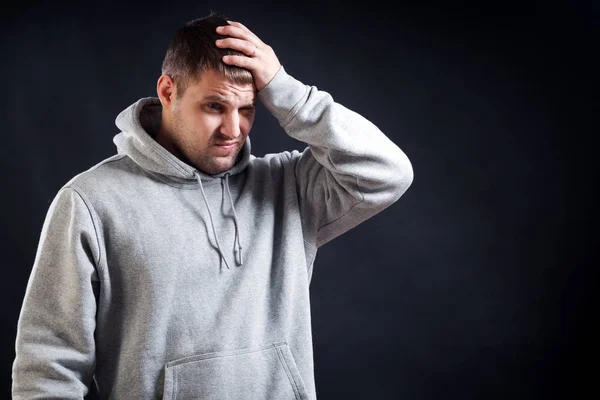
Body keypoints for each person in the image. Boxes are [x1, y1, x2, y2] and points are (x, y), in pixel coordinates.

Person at [12, 12, 414, 399]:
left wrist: (287, 92)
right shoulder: (91, 201)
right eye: (214, 106)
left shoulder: (287, 187)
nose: (233, 129)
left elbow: (388, 172)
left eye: (247, 109)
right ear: (168, 91)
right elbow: (48, 368)